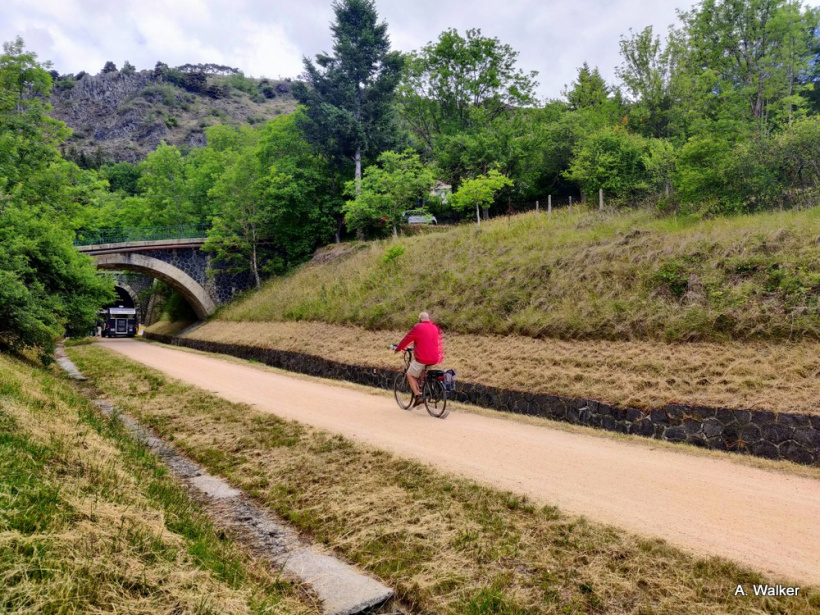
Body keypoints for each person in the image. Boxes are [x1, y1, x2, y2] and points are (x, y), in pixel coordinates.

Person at [395, 311, 444, 406]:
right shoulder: (434, 327)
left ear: (420, 319)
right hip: (434, 358)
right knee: (422, 371)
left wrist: (398, 348)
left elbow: (407, 338)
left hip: (423, 358)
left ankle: (418, 396)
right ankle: (422, 386)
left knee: (410, 374)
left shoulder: (418, 327)